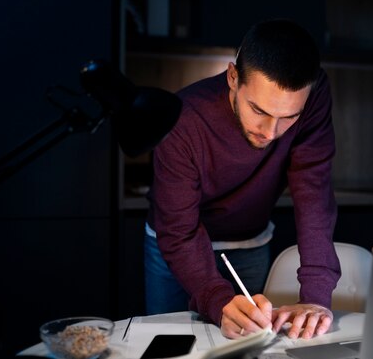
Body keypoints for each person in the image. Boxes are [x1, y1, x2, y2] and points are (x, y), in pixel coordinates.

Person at [144, 18, 341, 340]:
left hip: (250, 240)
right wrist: (216, 298)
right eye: (258, 110)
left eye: (289, 117)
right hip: (175, 243)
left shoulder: (314, 96)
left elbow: (313, 193)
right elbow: (179, 229)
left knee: (248, 343)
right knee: (173, 347)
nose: (271, 133)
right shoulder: (182, 117)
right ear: (233, 77)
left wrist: (316, 298)